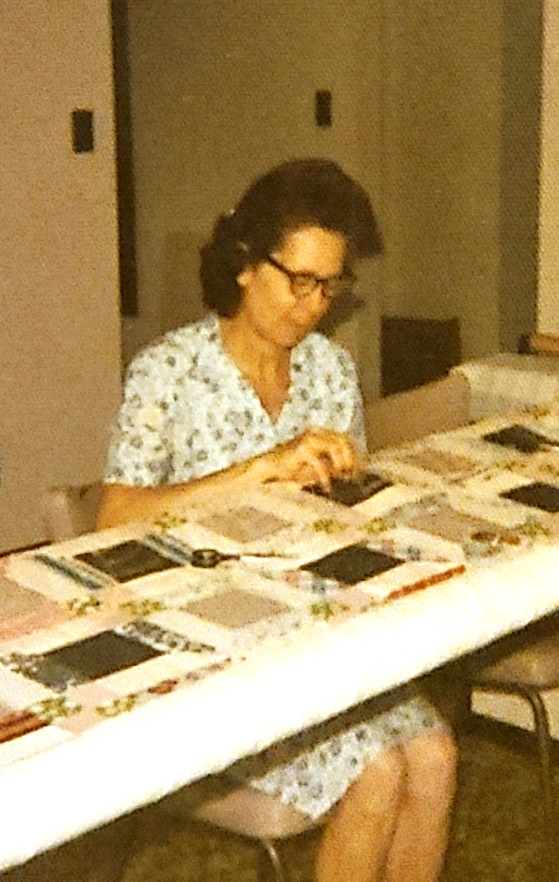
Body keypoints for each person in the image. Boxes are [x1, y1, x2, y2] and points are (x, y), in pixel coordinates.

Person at [96, 158, 456, 882]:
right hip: (212, 652)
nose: (315, 304)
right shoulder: (167, 372)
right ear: (243, 264)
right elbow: (110, 520)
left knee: (437, 757)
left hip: (314, 630)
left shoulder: (330, 371)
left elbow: (349, 518)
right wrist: (254, 472)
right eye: (300, 281)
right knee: (377, 771)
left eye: (331, 285)